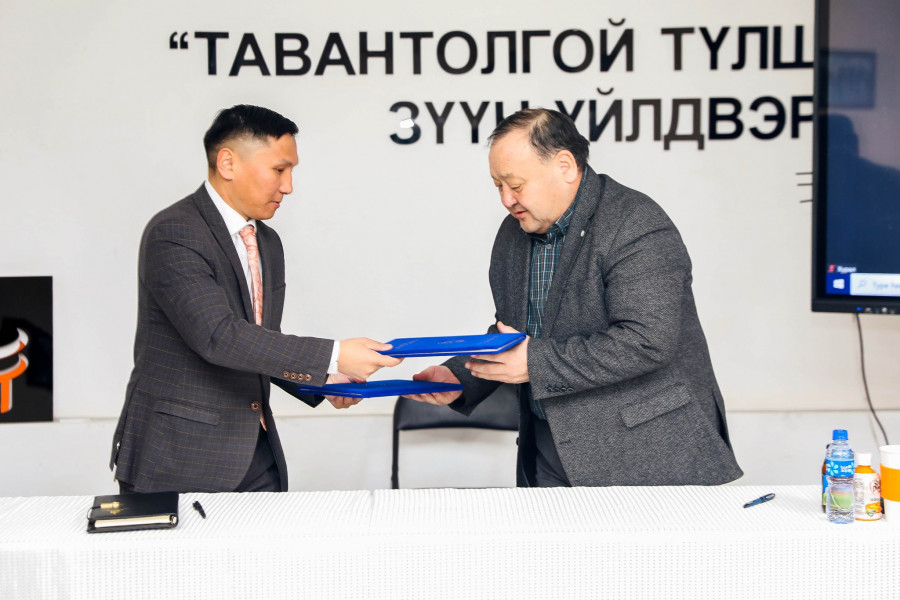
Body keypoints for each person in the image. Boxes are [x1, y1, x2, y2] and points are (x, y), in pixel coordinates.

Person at [410, 108, 742, 487]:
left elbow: (646, 341)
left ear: (565, 166)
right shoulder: (512, 233)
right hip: (549, 448)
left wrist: (534, 363)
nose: (506, 199)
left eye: (515, 184)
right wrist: (459, 378)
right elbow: (515, 334)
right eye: (497, 185)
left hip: (644, 453)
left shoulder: (636, 223)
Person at [109, 104, 401, 494]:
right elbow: (219, 337)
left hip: (256, 453)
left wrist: (324, 380)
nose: (289, 186)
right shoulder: (174, 232)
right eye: (279, 169)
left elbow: (259, 342)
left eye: (292, 171)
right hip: (179, 457)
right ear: (227, 163)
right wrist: (333, 355)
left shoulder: (266, 241)